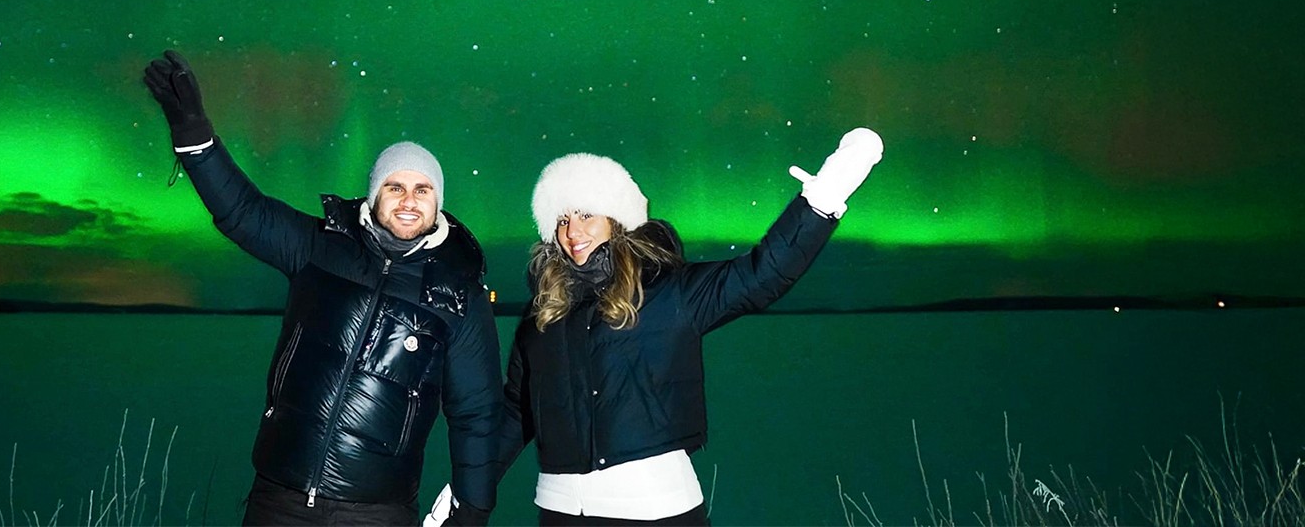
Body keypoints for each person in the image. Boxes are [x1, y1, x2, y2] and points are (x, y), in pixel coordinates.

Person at [143, 50, 501, 526]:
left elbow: (477, 413)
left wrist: (472, 510)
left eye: (423, 190)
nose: (409, 201)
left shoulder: (459, 294)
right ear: (374, 196)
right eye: (395, 187)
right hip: (279, 497)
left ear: (439, 203)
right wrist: (193, 134)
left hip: (377, 511)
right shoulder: (319, 247)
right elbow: (242, 211)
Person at [482, 128, 884, 526]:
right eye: (563, 219)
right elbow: (518, 414)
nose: (573, 232)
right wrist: (467, 493)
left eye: (586, 214)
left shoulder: (669, 293)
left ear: (616, 219)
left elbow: (762, 276)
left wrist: (822, 199)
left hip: (654, 508)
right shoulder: (543, 317)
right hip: (562, 512)